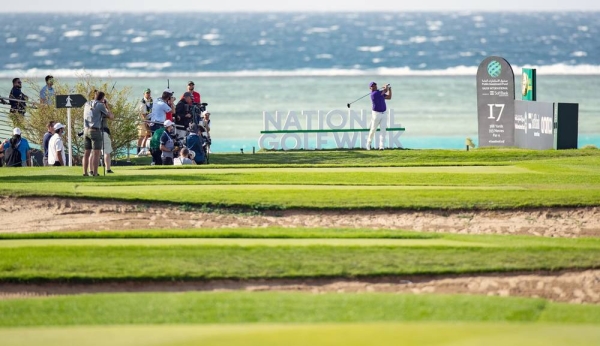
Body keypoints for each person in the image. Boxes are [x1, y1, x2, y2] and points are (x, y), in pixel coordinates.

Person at [82, 91, 113, 176]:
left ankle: (85, 172)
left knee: (87, 153)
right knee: (96, 153)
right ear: (102, 98)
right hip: (95, 131)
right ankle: (95, 173)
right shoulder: (100, 105)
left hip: (85, 130)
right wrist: (106, 106)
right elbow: (111, 116)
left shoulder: (87, 104)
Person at [366, 81, 392, 150]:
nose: (374, 86)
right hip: (376, 114)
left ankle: (381, 146)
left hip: (384, 113)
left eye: (375, 85)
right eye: (372, 86)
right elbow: (385, 90)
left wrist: (390, 89)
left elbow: (389, 97)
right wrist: (386, 86)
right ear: (370, 88)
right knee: (373, 129)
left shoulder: (380, 93)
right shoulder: (374, 94)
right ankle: (368, 144)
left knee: (383, 130)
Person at [137, 88, 153, 155]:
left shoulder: (151, 101)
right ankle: (138, 151)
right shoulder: (142, 102)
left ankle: (143, 149)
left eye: (149, 93)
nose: (148, 94)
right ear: (144, 94)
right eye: (147, 93)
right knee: (141, 136)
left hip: (148, 120)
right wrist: (146, 122)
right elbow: (143, 114)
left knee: (148, 135)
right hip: (142, 121)